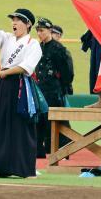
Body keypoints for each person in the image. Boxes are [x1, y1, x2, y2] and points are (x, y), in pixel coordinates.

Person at [0, 8, 42, 178]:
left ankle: (25, 169)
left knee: (22, 125)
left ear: (28, 24)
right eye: (13, 19)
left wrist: (6, 72)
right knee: (0, 124)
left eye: (18, 20)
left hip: (21, 85)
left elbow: (27, 67)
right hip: (3, 84)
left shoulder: (32, 44)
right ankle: (0, 167)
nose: (14, 23)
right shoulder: (8, 39)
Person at [35, 18, 74, 158]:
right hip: (40, 89)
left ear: (49, 31)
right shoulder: (38, 47)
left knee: (58, 121)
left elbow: (68, 73)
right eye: (38, 31)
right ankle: (39, 151)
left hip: (54, 91)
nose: (39, 34)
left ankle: (63, 153)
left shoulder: (59, 49)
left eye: (42, 31)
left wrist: (62, 87)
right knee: (39, 120)